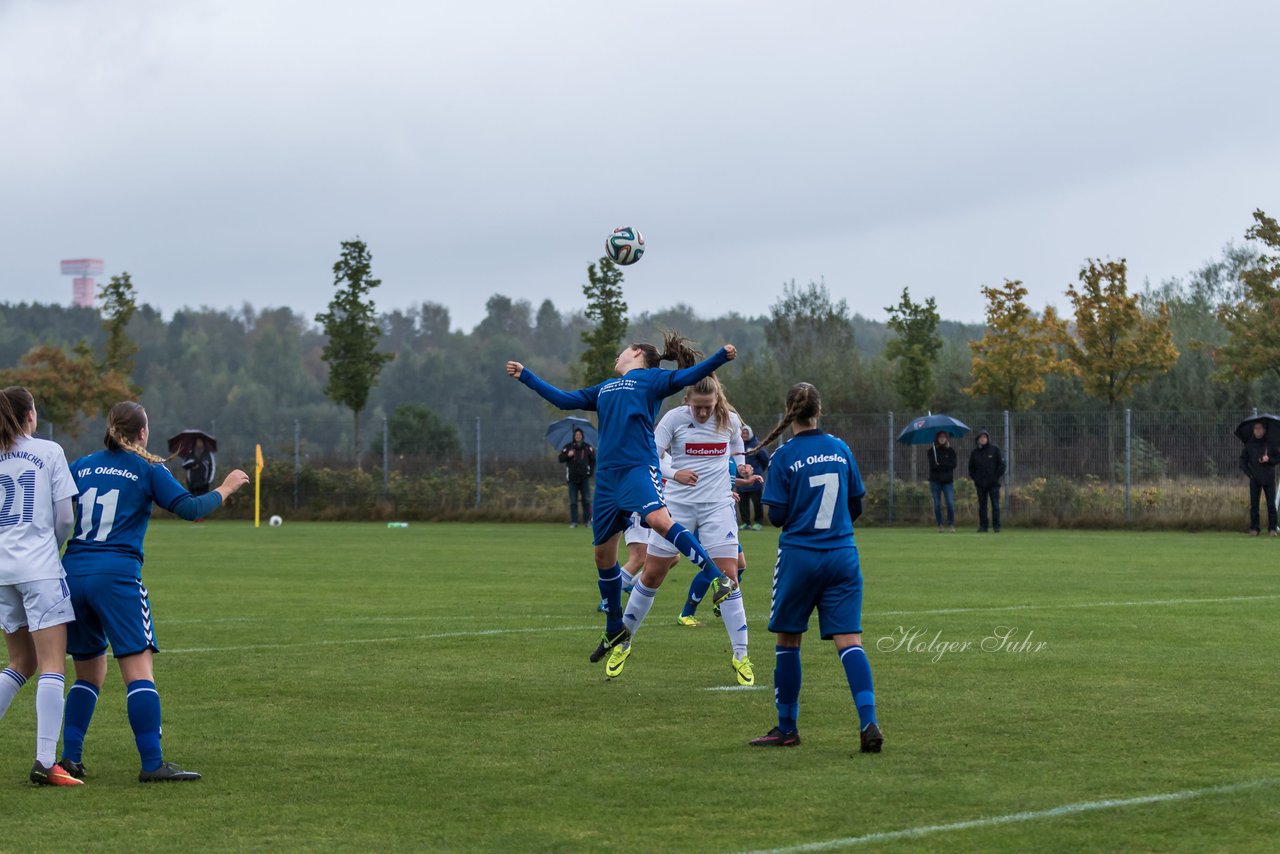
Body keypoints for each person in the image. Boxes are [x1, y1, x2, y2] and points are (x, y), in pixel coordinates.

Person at [507, 334, 739, 664]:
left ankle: (718, 578)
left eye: (621, 352)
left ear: (636, 354)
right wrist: (527, 376)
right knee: (603, 556)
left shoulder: (652, 379)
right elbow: (562, 399)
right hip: (607, 479)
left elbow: (685, 377)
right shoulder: (605, 388)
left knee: (659, 520)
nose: (617, 356)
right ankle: (614, 626)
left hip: (637, 469)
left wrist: (719, 357)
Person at [58, 401, 250, 783]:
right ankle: (152, 763)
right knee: (138, 670)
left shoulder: (80, 465)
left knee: (87, 675)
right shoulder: (148, 468)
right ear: (143, 433)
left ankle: (69, 760)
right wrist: (227, 487)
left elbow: (58, 513)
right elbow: (191, 508)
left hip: (73, 573)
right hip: (116, 577)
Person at [746, 382, 882, 753]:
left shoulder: (784, 456)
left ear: (788, 413)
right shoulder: (841, 449)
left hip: (800, 557)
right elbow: (856, 506)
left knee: (788, 640)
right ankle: (868, 720)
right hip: (843, 555)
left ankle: (787, 728)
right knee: (849, 641)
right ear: (819, 411)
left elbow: (776, 516)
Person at [604, 376, 755, 686]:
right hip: (677, 508)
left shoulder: (730, 419)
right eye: (697, 407)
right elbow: (650, 459)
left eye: (707, 408)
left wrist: (741, 466)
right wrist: (675, 473)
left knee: (729, 578)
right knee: (651, 576)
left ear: (716, 402)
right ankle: (624, 644)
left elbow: (738, 447)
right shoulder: (673, 419)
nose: (702, 414)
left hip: (717, 508)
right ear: (687, 400)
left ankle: (741, 655)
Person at [0, 387, 83, 786]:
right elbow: (65, 517)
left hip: (2, 573)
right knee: (52, 665)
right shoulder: (48, 451)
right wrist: (51, 545)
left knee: (20, 663)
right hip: (40, 568)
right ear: (30, 415)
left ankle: (46, 761)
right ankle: (46, 762)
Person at [1239, 421, 1279, 536]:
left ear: (1264, 430)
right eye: (1255, 428)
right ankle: (1254, 529)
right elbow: (1242, 461)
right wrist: (1249, 474)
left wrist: (1269, 459)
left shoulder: (1270, 443)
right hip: (1255, 479)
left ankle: (1272, 529)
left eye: (1260, 428)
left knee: (1271, 505)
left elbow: (1277, 458)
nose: (1258, 430)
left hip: (1269, 478)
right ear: (1253, 430)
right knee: (1254, 505)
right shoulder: (1249, 444)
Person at [968, 429, 1006, 533]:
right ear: (978, 440)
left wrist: (996, 476)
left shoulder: (995, 450)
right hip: (980, 484)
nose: (983, 439)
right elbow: (971, 468)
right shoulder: (975, 453)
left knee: (995, 505)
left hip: (993, 484)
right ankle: (983, 526)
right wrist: (976, 478)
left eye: (984, 437)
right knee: (982, 506)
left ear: (988, 438)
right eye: (981, 438)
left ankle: (996, 526)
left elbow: (1002, 465)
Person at [558, 427, 595, 529]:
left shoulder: (587, 448)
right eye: (576, 435)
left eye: (579, 435)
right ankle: (574, 522)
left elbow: (593, 460)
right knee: (573, 501)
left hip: (584, 478)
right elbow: (560, 458)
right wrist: (568, 455)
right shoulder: (568, 447)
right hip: (572, 479)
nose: (578, 436)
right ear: (574, 436)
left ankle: (587, 521)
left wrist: (590, 472)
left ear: (582, 436)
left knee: (586, 500)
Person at [737, 424, 769, 530]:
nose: (744, 435)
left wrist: (758, 471)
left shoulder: (756, 445)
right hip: (741, 480)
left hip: (755, 481)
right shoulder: (737, 445)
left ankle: (758, 522)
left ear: (750, 433)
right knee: (743, 503)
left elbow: (765, 460)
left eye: (746, 433)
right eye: (743, 433)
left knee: (757, 502)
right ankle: (746, 523)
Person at [928, 432, 957, 533]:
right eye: (940, 437)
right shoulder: (932, 451)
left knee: (950, 503)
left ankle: (951, 524)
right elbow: (933, 466)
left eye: (944, 437)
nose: (942, 439)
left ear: (947, 439)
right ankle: (940, 524)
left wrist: (941, 463)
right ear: (937, 438)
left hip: (947, 482)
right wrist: (940, 465)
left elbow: (953, 465)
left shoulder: (951, 451)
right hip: (935, 482)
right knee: (937, 504)